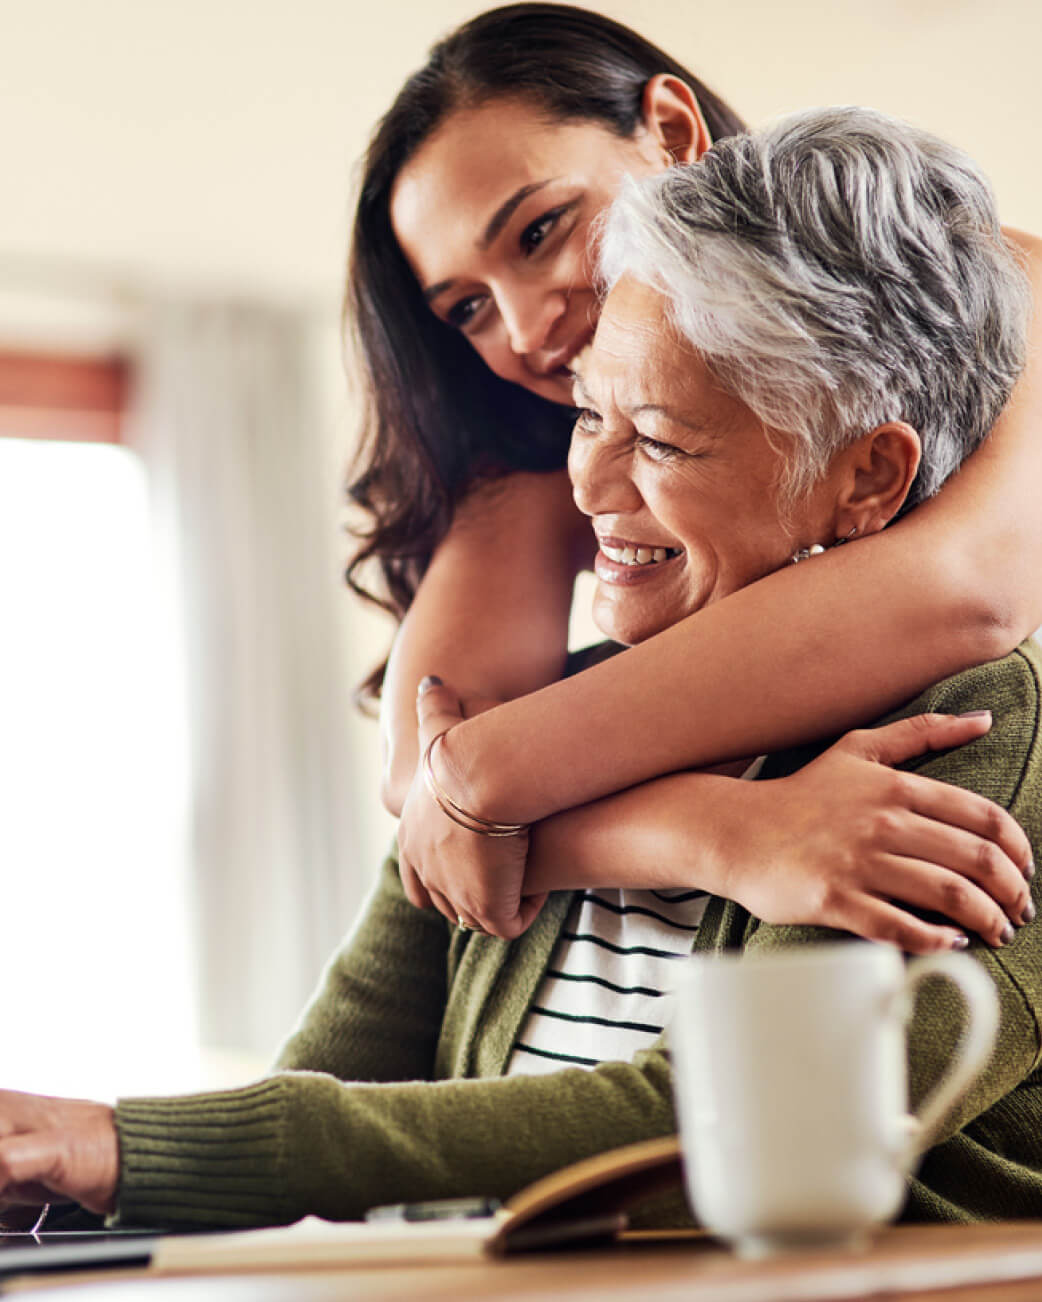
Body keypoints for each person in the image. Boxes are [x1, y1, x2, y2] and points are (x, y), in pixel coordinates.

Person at [2, 106, 1040, 1231]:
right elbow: (338, 1072)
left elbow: (718, 1129)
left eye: (658, 439)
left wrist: (130, 1149)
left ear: (866, 478)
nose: (589, 485)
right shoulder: (552, 717)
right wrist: (72, 1189)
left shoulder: (973, 731)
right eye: (587, 413)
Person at [348, 3, 1042, 942]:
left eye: (541, 231)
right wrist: (713, 834)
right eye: (468, 307)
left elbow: (966, 590)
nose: (524, 332)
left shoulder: (997, 283)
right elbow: (425, 772)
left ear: (672, 131)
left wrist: (488, 780)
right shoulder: (533, 452)